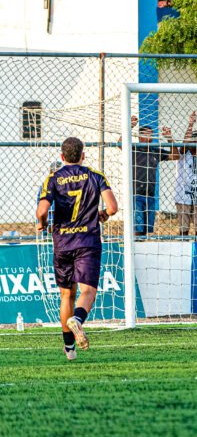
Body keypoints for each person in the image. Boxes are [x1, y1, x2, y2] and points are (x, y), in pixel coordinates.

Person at [36, 137, 118, 361]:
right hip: (87, 241)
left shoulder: (53, 178)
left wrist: (42, 223)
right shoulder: (95, 175)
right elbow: (112, 207)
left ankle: (69, 349)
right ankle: (78, 320)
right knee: (87, 292)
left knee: (66, 295)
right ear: (83, 155)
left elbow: (41, 211)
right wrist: (104, 215)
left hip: (62, 242)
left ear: (62, 157)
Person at [127, 115, 177, 237]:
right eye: (147, 135)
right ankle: (135, 249)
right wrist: (130, 126)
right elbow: (119, 144)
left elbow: (176, 156)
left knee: (146, 230)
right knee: (137, 227)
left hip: (150, 195)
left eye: (152, 135)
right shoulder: (133, 149)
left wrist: (170, 138)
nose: (150, 138)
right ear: (140, 137)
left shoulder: (155, 151)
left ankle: (141, 245)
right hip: (136, 194)